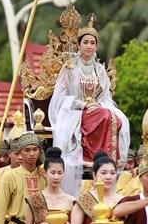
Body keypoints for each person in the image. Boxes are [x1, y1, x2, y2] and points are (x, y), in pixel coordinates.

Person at [49, 15, 130, 195]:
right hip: (74, 111)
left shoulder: (99, 69)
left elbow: (106, 96)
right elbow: (61, 96)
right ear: (79, 44)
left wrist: (97, 105)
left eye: (92, 43)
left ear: (96, 45)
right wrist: (83, 105)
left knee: (116, 118)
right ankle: (90, 158)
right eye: (85, 42)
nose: (89, 46)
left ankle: (105, 159)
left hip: (97, 110)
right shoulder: (69, 67)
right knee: (105, 116)